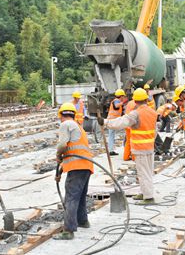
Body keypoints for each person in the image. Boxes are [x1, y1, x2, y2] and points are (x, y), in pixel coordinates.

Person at [99, 88, 157, 204]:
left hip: (140, 148)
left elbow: (121, 122)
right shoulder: (152, 112)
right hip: (150, 146)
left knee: (143, 172)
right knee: (147, 171)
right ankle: (144, 192)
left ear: (135, 101)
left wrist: (105, 122)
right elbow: (155, 131)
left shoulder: (136, 114)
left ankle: (149, 197)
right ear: (146, 99)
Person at [54, 103, 94, 240]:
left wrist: (58, 155)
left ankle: (68, 230)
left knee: (71, 197)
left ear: (61, 116)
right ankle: (83, 221)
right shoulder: (79, 127)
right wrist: (59, 171)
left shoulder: (65, 125)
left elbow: (62, 145)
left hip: (77, 166)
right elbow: (73, 150)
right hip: (86, 165)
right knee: (81, 195)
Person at [106, 89, 128, 156]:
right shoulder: (116, 101)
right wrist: (123, 103)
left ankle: (111, 150)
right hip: (112, 121)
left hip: (113, 121)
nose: (123, 98)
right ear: (121, 96)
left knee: (111, 135)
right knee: (112, 135)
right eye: (123, 96)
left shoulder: (116, 101)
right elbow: (116, 106)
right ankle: (111, 150)